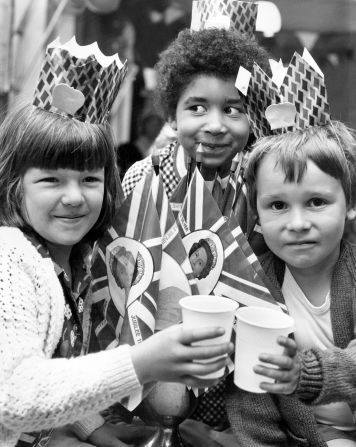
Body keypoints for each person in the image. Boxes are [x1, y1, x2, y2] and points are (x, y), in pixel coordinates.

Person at [0, 102, 234, 447]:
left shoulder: (77, 259)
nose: (75, 197)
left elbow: (56, 368)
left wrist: (92, 428)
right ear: (14, 185)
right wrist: (142, 362)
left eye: (90, 179)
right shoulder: (11, 255)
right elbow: (15, 395)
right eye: (51, 179)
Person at [120, 24, 271, 439]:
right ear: (171, 113)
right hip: (152, 349)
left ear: (251, 115)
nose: (217, 125)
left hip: (234, 380)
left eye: (233, 109)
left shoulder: (255, 186)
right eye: (198, 107)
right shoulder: (141, 179)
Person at [225, 121, 356, 446]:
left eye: (316, 202)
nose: (297, 224)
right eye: (278, 206)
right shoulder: (254, 289)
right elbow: (250, 400)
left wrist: (307, 372)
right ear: (256, 213)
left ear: (350, 204)